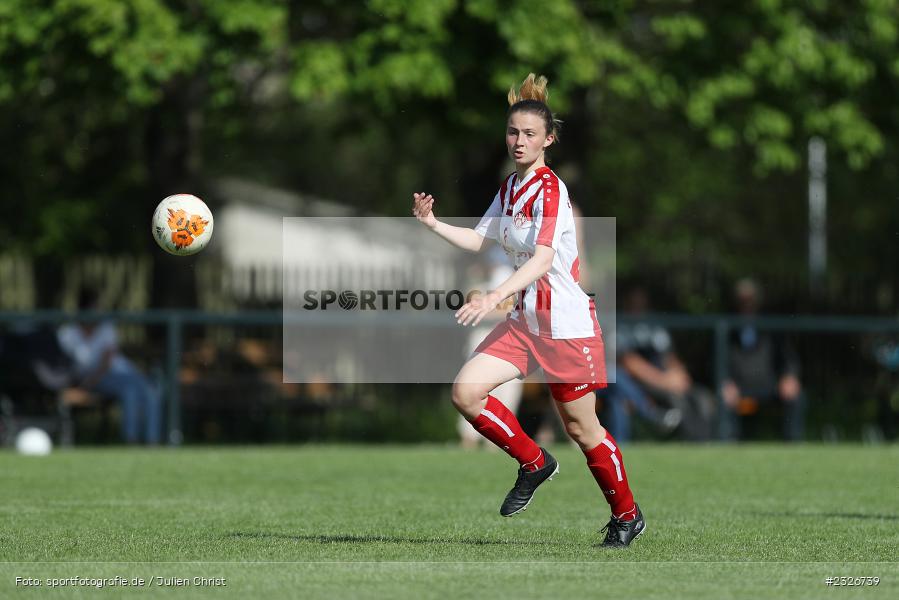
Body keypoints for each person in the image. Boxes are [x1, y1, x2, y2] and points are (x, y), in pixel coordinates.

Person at [412, 73, 644, 547]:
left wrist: (494, 297)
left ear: (548, 140)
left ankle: (627, 515)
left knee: (583, 429)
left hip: (565, 327)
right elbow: (481, 239)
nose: (519, 141)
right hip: (525, 322)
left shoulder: (551, 190)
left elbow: (541, 260)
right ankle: (534, 462)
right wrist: (432, 222)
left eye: (530, 134)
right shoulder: (511, 187)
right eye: (513, 133)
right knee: (466, 393)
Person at [608, 286, 715, 442]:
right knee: (674, 399)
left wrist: (680, 375)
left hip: (663, 380)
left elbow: (669, 357)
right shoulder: (619, 325)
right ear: (626, 303)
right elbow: (629, 363)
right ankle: (656, 417)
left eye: (641, 302)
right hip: (638, 384)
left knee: (701, 398)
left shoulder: (654, 325)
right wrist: (663, 381)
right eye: (634, 302)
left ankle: (705, 444)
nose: (638, 306)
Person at [57, 289, 163, 444]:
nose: (99, 313)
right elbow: (65, 367)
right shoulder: (67, 333)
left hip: (119, 373)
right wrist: (83, 386)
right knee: (130, 391)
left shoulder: (106, 328)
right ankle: (131, 440)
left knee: (151, 391)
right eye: (95, 309)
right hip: (92, 379)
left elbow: (108, 362)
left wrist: (89, 383)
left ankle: (152, 441)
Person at [721, 278, 805, 441]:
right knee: (724, 397)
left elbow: (788, 358)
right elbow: (717, 362)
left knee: (796, 396)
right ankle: (729, 444)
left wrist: (789, 377)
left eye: (750, 300)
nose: (747, 305)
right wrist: (725, 382)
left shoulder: (771, 329)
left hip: (770, 386)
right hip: (739, 388)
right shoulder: (726, 329)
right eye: (743, 301)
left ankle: (793, 444)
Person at [457, 247, 524, 449]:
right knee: (472, 387)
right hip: (484, 338)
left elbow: (508, 310)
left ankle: (496, 440)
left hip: (510, 341)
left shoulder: (513, 282)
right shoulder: (480, 284)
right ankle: (469, 438)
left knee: (506, 392)